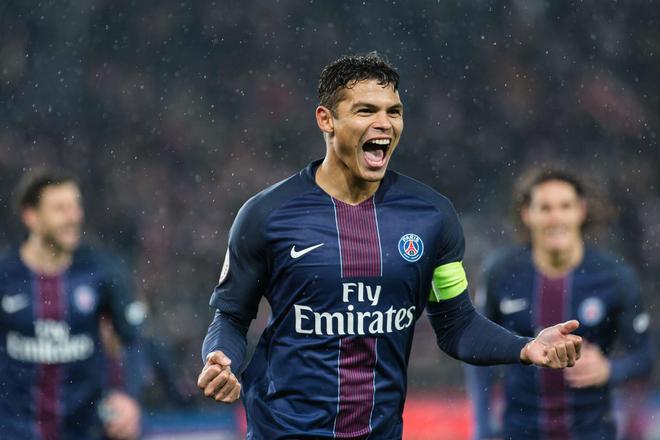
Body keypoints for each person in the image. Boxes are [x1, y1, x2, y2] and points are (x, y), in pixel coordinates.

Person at [197, 53, 583, 439]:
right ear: (326, 120)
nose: (384, 123)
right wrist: (220, 359)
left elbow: (457, 324)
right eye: (366, 110)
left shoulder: (431, 217)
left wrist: (526, 347)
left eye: (393, 111)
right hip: (282, 432)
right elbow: (230, 316)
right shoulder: (266, 215)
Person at [466, 168, 654, 440]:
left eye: (565, 206)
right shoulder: (501, 273)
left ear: (581, 211)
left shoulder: (615, 276)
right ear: (527, 214)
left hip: (592, 433)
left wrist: (610, 369)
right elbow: (478, 350)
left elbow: (644, 356)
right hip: (520, 432)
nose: (556, 217)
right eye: (545, 208)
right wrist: (482, 428)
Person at [0, 169, 145, 439]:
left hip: (84, 429)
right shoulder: (5, 275)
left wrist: (128, 395)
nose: (73, 216)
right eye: (60, 208)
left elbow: (133, 339)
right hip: (13, 429)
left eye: (75, 206)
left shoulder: (101, 270)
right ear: (31, 217)